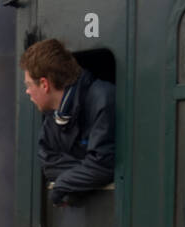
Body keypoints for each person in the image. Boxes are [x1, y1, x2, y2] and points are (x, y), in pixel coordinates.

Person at [20, 38, 115, 206]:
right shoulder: (52, 120)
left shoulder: (103, 99)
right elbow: (49, 164)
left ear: (44, 84)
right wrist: (85, 172)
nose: (27, 91)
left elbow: (104, 165)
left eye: (28, 85)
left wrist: (63, 185)